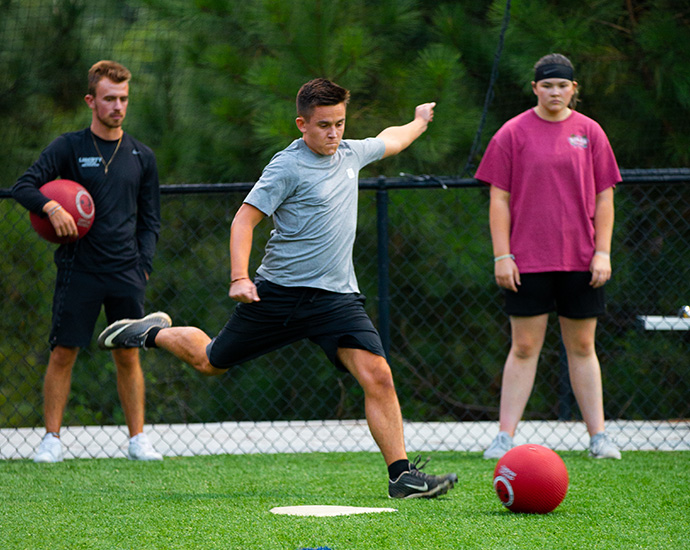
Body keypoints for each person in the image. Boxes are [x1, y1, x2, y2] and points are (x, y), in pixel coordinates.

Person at [98, 78, 458, 498]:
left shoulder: (350, 154)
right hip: (280, 296)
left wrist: (417, 121)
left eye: (340, 123)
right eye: (324, 125)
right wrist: (239, 277)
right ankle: (152, 333)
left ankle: (402, 477)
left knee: (378, 375)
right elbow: (243, 221)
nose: (334, 133)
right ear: (302, 124)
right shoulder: (286, 166)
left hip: (337, 299)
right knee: (212, 361)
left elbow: (390, 140)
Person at [12, 60, 165, 463]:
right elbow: (22, 186)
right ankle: (51, 440)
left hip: (125, 272)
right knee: (63, 352)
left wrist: (142, 266)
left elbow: (150, 220)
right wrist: (49, 206)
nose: (118, 106)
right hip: (78, 270)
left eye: (123, 99)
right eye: (109, 98)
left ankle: (138, 440)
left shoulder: (141, 155)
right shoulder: (68, 148)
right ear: (90, 100)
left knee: (128, 354)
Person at [475, 53, 622, 460]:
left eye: (562, 85)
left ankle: (599, 438)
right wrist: (502, 256)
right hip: (526, 262)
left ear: (574, 90)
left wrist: (602, 252)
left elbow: (605, 197)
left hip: (581, 261)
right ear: (535, 88)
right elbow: (498, 199)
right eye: (547, 85)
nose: (555, 92)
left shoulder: (591, 132)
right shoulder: (511, 133)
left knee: (582, 346)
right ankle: (504, 437)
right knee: (523, 347)